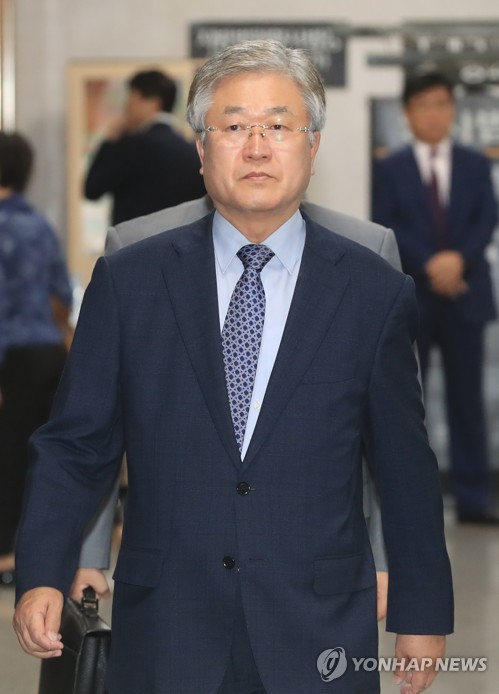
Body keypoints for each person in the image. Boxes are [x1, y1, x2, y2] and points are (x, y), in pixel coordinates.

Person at [14, 41, 453, 694]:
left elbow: (403, 462)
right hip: (167, 622)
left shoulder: (372, 290)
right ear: (201, 148)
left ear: (312, 144)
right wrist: (43, 573)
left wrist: (421, 611)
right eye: (234, 127)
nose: (256, 148)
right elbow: (77, 444)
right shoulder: (131, 281)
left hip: (318, 625)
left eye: (278, 126)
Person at [73, 194, 401, 615]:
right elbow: (102, 420)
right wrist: (88, 552)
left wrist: (384, 557)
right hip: (179, 558)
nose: (256, 156)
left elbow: (391, 433)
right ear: (202, 158)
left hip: (316, 559)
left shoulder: (367, 247)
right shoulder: (138, 242)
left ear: (311, 157)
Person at [372, 72, 498, 525]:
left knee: (468, 402)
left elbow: (486, 219)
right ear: (407, 113)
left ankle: (473, 499)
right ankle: (408, 502)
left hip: (465, 294)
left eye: (442, 103)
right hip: (413, 297)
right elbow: (386, 224)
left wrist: (457, 261)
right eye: (424, 104)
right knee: (407, 403)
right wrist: (431, 264)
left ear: (453, 110)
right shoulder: (389, 168)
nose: (434, 113)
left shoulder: (475, 164)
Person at [0, 132, 73, 586]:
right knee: (40, 455)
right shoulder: (39, 224)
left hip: (11, 355)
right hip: (48, 351)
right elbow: (61, 296)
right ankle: (35, 553)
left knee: (6, 456)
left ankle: (6, 554)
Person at [84, 68, 206, 224]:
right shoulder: (192, 152)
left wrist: (110, 140)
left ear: (153, 102)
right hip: (179, 237)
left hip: (133, 237)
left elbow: (92, 190)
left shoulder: (129, 146)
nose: (127, 106)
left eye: (132, 98)